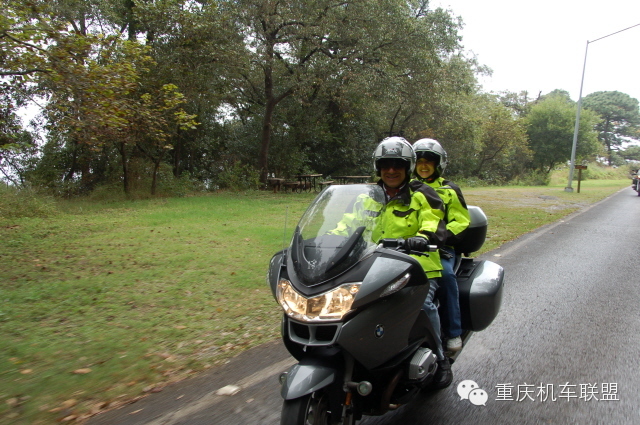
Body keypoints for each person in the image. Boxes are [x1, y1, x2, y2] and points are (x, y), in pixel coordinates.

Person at [329, 136, 453, 388]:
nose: (391, 170)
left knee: (424, 306)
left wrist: (422, 238)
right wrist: (327, 241)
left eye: (397, 165)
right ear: (378, 167)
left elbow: (433, 221)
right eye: (386, 165)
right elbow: (347, 225)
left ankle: (441, 360)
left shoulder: (423, 194)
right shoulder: (367, 196)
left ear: (407, 167)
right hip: (373, 266)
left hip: (418, 266)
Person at [412, 138, 471, 353]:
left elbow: (462, 221)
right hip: (410, 247)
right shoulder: (406, 188)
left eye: (429, 161)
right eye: (419, 161)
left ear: (438, 165)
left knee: (445, 276)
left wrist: (439, 238)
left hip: (442, 249)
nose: (424, 166)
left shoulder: (449, 190)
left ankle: (453, 332)